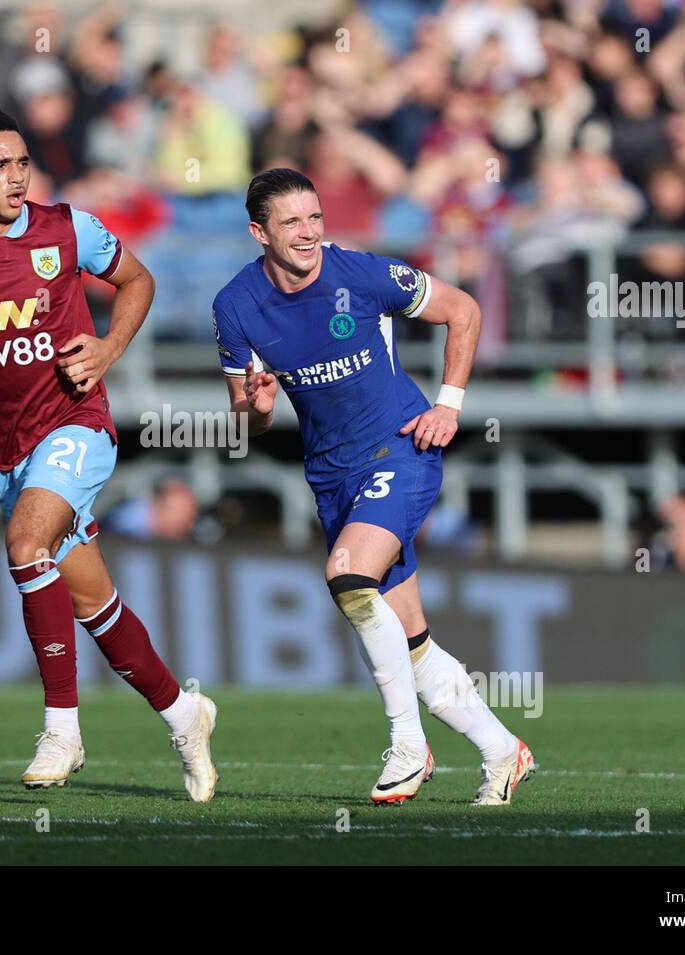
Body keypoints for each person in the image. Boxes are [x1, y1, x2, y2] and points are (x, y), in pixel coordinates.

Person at [0, 109, 217, 801]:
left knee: (27, 544)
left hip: (78, 423)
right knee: (94, 602)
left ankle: (63, 727)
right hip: (8, 447)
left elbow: (138, 280)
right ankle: (186, 714)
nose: (17, 176)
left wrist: (109, 348)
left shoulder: (66, 228)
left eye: (23, 162)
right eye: (0, 166)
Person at [213, 168, 534, 806]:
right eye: (291, 222)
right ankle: (503, 750)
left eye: (314, 217)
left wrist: (450, 405)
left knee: (346, 577)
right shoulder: (234, 304)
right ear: (259, 232)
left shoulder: (360, 274)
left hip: (400, 447)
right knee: (409, 637)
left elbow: (462, 310)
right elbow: (245, 418)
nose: (308, 234)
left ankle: (408, 747)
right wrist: (255, 402)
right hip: (331, 474)